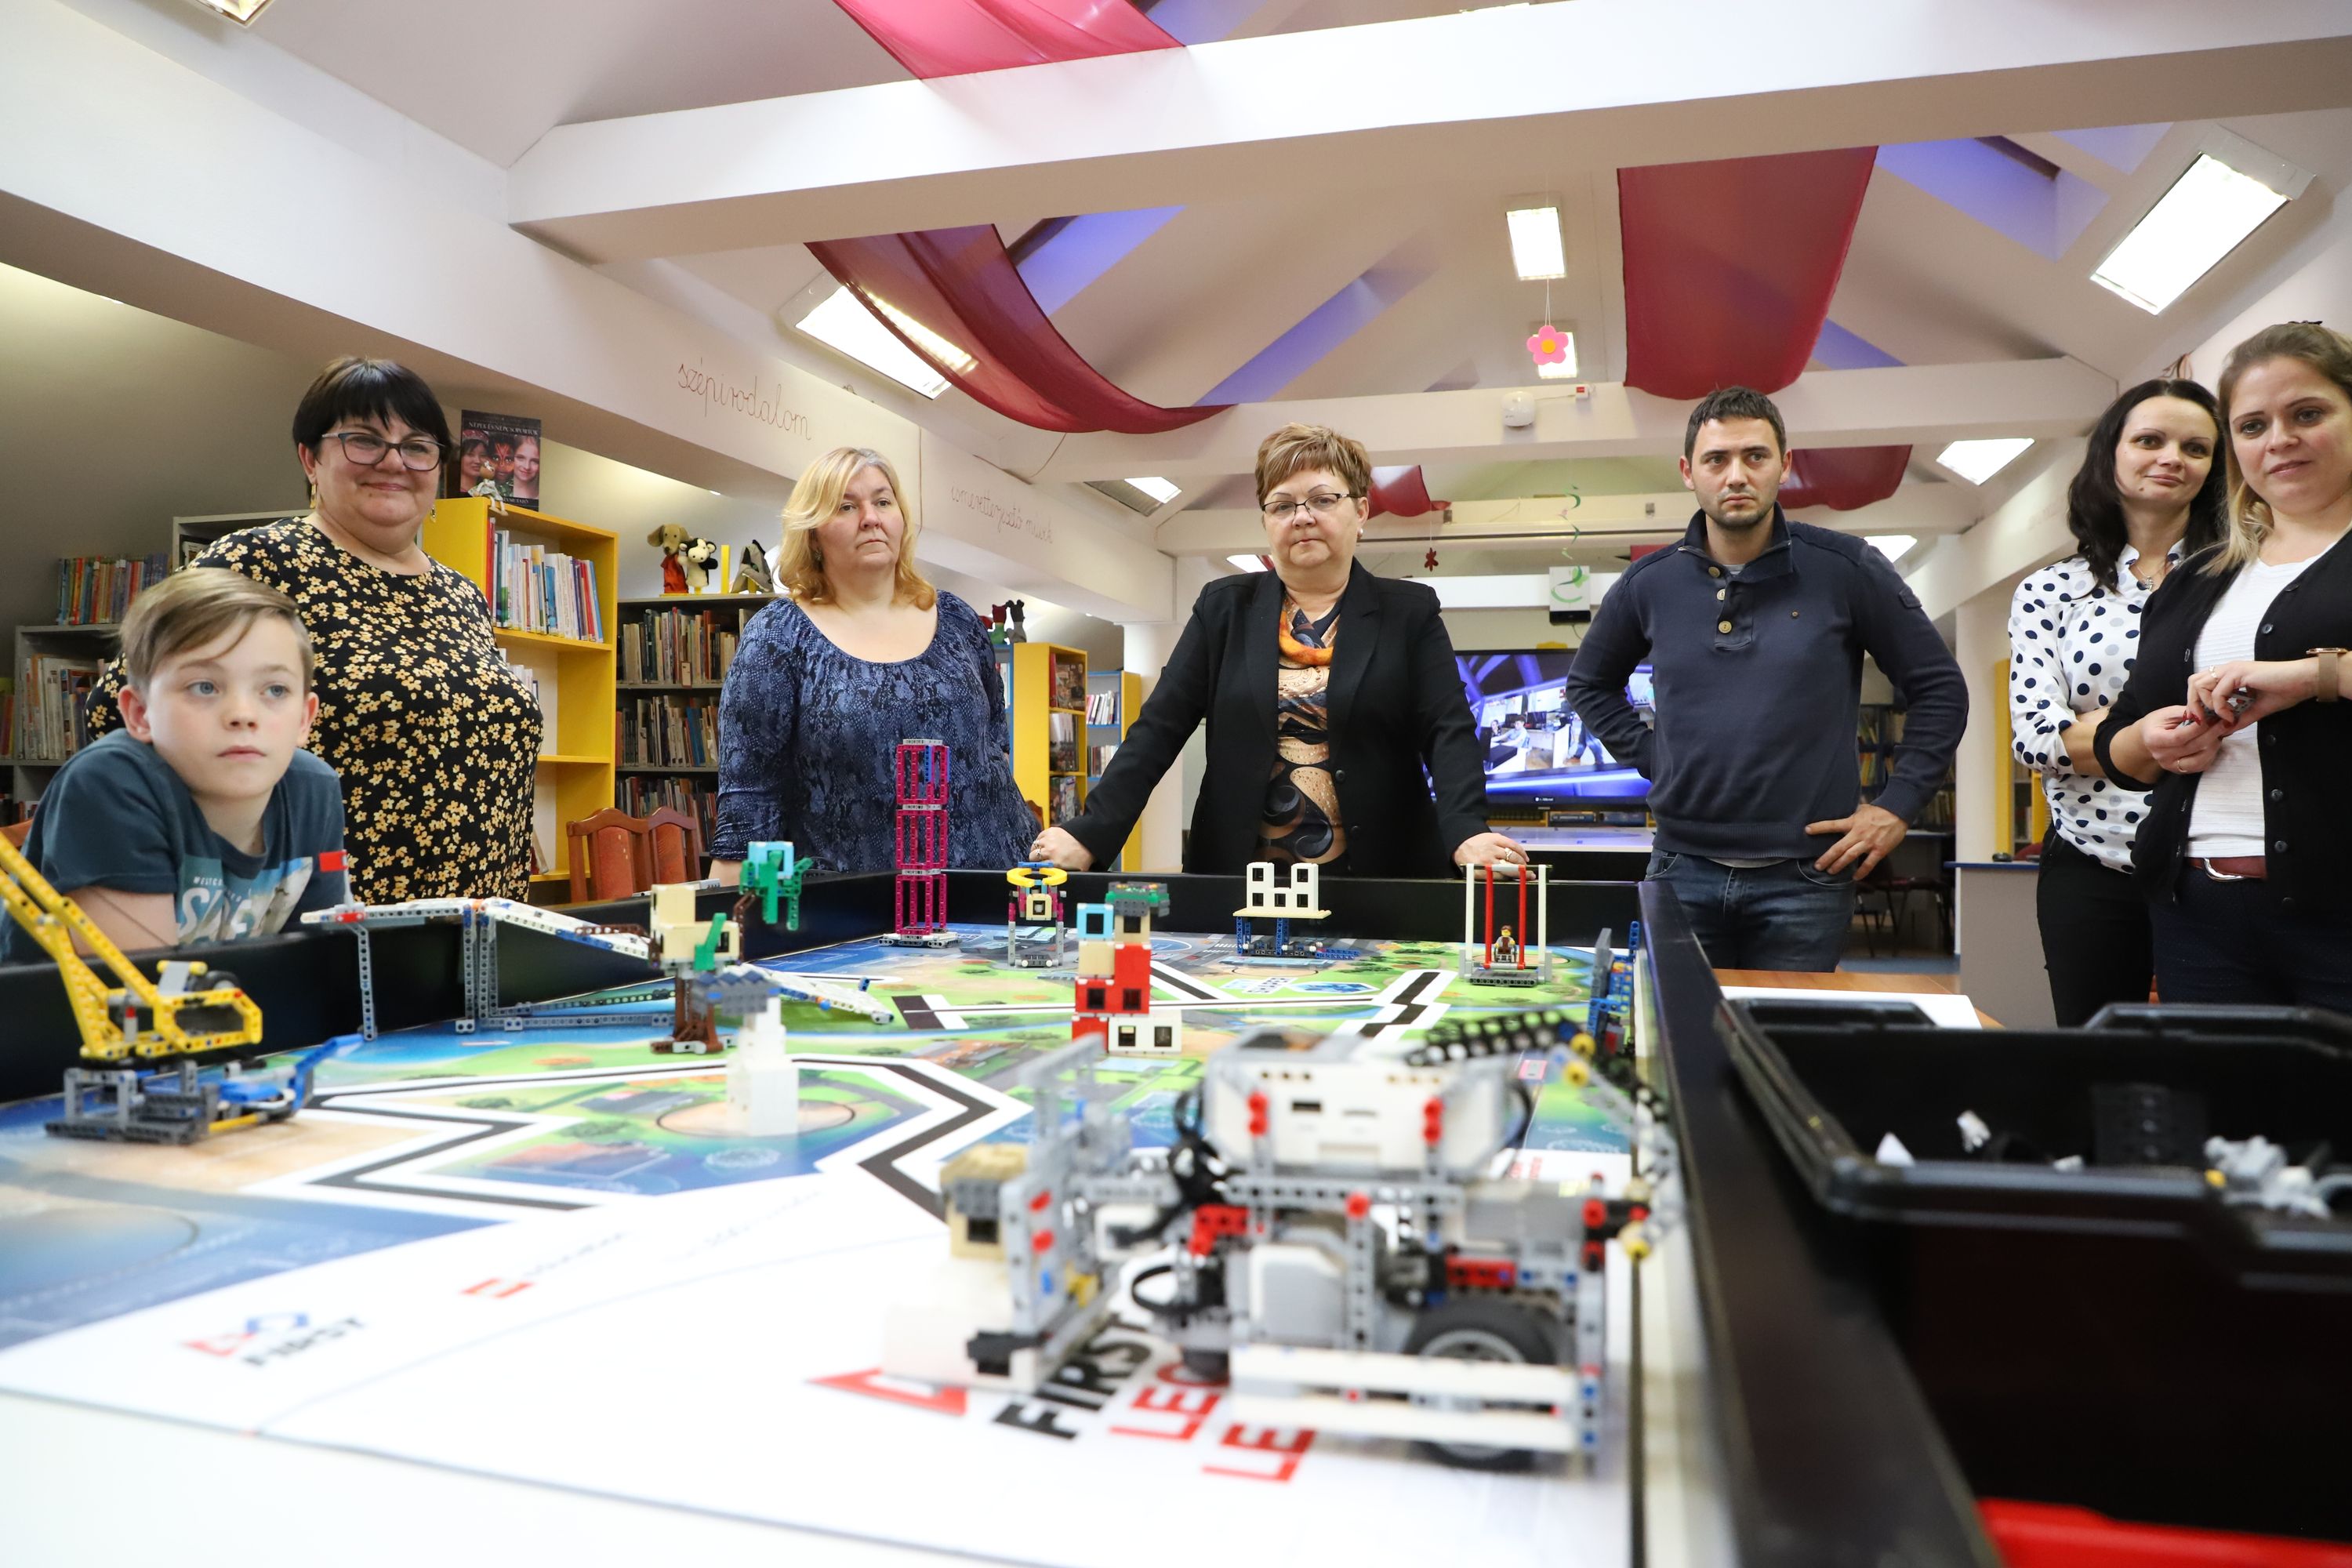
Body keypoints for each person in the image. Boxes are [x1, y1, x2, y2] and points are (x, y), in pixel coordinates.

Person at [85, 356, 543, 904]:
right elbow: (117, 711)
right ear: (310, 458)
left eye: (417, 446)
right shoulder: (256, 563)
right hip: (326, 922)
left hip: (484, 925)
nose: (393, 461)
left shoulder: (462, 594)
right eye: (364, 440)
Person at [1565, 386, 1966, 971]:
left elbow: (1940, 688)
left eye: (1755, 456)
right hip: (1681, 868)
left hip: (1808, 878)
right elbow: (1589, 684)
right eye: (1716, 459)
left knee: (1786, 1028)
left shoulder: (1847, 569)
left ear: (1785, 465)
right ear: (1688, 472)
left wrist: (1898, 805)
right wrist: (1657, 758)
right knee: (1678, 1027)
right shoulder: (1648, 584)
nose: (1736, 476)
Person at [1029, 423, 1523, 877]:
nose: (1302, 517)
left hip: (1382, 876)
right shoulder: (1224, 609)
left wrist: (1467, 830)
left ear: (1361, 511)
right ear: (1266, 520)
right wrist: (1091, 831)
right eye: (1282, 505)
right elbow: (1158, 729)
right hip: (1238, 877)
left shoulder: (1409, 613)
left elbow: (1448, 730)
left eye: (1323, 500)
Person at [2095, 322, 2352, 1009]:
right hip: (2196, 914)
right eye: (2253, 426)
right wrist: (2151, 741)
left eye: (2308, 414)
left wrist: (2314, 677)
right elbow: (2122, 738)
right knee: (2216, 1085)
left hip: (2339, 912)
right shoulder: (2195, 579)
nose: (2279, 440)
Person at [2009, 379, 2227, 1025]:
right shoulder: (2051, 590)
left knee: (2216, 1057)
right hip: (2089, 860)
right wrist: (2150, 729)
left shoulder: (2239, 577)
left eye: (2196, 448)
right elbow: (2035, 738)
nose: (2172, 458)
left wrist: (2092, 731)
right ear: (2111, 454)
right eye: (2150, 440)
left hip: (2211, 860)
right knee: (2096, 1057)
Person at [710, 447, 1033, 878]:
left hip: (992, 887)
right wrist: (732, 907)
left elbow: (993, 748)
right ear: (813, 534)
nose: (870, 518)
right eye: (846, 506)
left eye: (883, 501)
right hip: (856, 903)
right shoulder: (779, 636)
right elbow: (750, 798)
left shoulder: (957, 619)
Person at [4, 570, 347, 961]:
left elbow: (325, 968)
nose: (243, 714)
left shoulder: (314, 789)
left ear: (304, 718)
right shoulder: (110, 781)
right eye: (204, 687)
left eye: (275, 689)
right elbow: (144, 988)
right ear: (140, 713)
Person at [510, 435, 541, 508]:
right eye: (520, 458)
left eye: (534, 461)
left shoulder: (545, 498)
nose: (527, 467)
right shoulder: (497, 491)